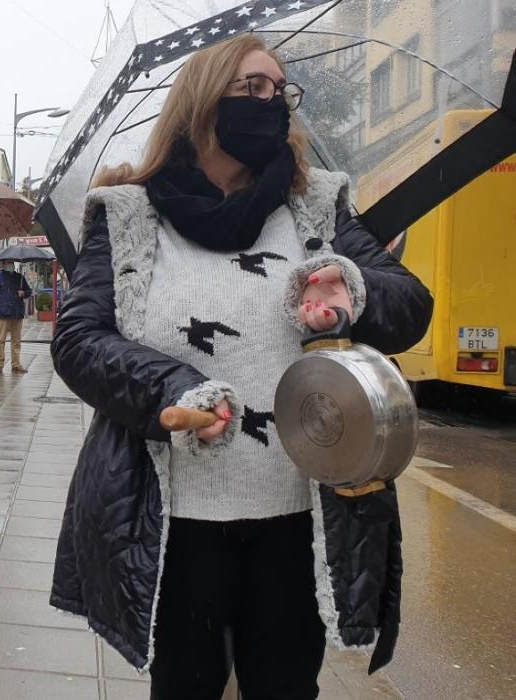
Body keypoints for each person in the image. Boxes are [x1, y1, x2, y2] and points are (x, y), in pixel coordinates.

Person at [50, 36, 432, 700]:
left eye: (281, 92)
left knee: (286, 689)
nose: (272, 103)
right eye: (251, 88)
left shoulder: (318, 208)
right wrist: (174, 388)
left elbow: (411, 307)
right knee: (187, 687)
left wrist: (354, 290)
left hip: (298, 518)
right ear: (201, 101)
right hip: (177, 524)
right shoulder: (128, 216)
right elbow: (79, 340)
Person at [0, 260, 33, 374]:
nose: (11, 265)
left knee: (16, 341)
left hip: (17, 313)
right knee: (0, 341)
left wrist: (23, 293)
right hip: (2, 315)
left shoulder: (19, 277)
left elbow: (29, 291)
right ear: (3, 264)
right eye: (8, 263)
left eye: (12, 263)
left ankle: (16, 364)